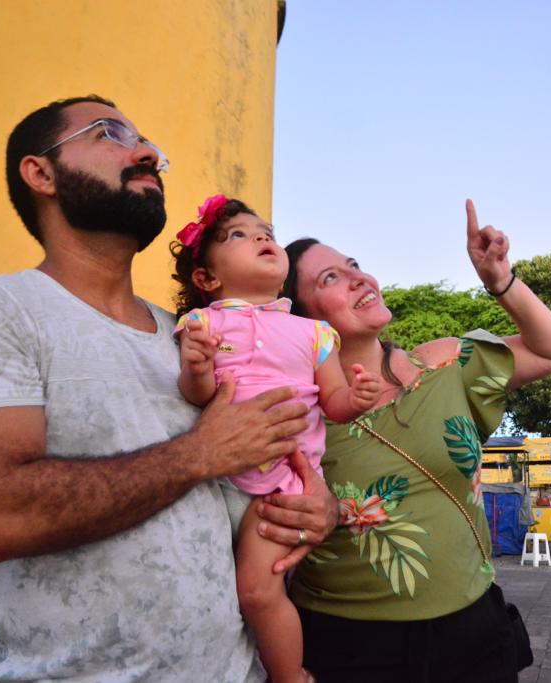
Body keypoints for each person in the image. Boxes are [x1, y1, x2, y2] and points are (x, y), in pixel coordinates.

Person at [0, 95, 337, 682]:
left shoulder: (189, 337)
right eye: (108, 133)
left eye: (147, 144)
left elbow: (242, 486)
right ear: (41, 173)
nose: (146, 153)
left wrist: (317, 508)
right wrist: (200, 453)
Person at [279, 199, 551, 681]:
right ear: (303, 318)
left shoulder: (441, 362)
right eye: (329, 279)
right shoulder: (300, 406)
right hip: (349, 646)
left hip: (474, 632)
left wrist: (499, 280)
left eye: (352, 265)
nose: (358, 277)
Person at [169, 194, 382, 683]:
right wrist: (196, 369)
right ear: (207, 278)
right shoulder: (202, 324)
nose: (262, 237)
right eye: (239, 235)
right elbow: (197, 397)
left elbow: (335, 403)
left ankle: (291, 676)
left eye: (265, 230)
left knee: (259, 593)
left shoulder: (313, 333)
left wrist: (359, 396)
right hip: (214, 480)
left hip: (282, 485)